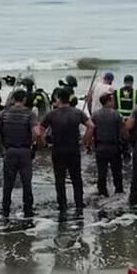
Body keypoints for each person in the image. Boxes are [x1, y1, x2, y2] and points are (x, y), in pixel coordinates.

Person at [39, 88, 94, 220]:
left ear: (58, 99)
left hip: (58, 150)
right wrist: (84, 141)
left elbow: (39, 130)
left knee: (60, 179)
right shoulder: (77, 113)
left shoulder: (52, 114)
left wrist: (45, 143)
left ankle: (62, 205)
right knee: (76, 178)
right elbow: (91, 126)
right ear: (69, 99)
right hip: (73, 149)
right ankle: (79, 204)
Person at [0, 90, 37, 218]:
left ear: (13, 99)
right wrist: (34, 147)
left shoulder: (4, 113)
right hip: (25, 151)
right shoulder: (29, 114)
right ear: (24, 99)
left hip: (9, 151)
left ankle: (6, 208)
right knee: (26, 182)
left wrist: (2, 151)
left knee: (8, 183)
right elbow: (36, 133)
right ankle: (28, 210)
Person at [92, 92, 125, 196]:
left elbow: (92, 131)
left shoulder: (95, 115)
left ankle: (102, 192)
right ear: (109, 101)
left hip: (100, 147)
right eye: (112, 100)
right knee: (117, 172)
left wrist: (90, 145)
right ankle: (119, 192)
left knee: (102, 172)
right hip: (114, 147)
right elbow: (123, 131)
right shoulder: (116, 114)